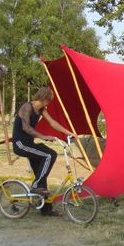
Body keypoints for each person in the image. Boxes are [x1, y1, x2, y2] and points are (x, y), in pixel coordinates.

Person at [12, 87, 74, 216]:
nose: (49, 103)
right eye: (49, 100)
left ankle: (46, 209)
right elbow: (26, 128)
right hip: (21, 144)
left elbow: (52, 123)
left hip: (29, 144)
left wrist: (68, 132)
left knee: (42, 174)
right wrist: (43, 136)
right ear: (45, 99)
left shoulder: (41, 110)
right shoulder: (26, 107)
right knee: (50, 154)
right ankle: (35, 186)